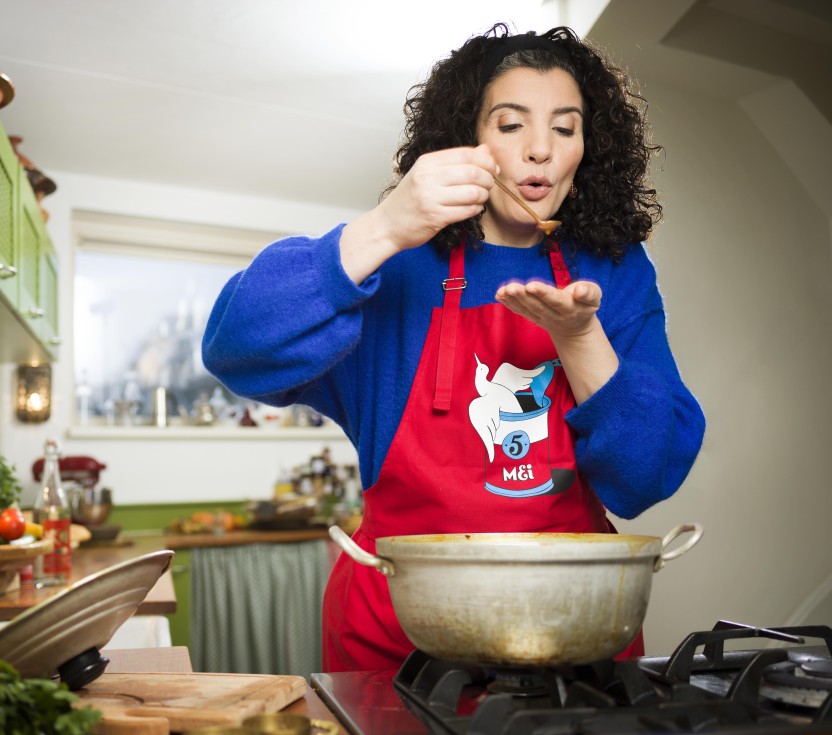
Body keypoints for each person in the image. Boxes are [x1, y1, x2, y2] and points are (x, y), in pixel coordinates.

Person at [202, 23, 706, 672]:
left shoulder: (616, 270)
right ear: (470, 143)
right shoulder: (400, 266)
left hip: (569, 631)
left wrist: (579, 339)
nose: (539, 151)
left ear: (588, 150)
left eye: (564, 127)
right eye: (510, 123)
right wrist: (384, 227)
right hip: (396, 638)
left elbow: (644, 479)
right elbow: (234, 347)